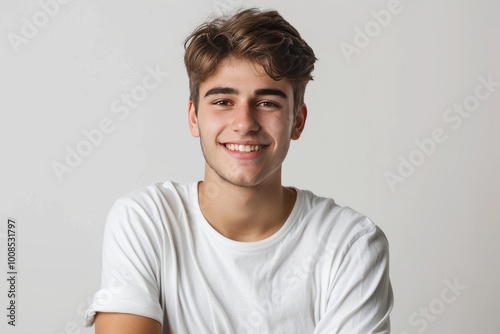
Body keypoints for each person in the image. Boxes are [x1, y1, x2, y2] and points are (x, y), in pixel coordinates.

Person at [84, 7, 393, 334]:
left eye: (267, 103)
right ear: (194, 117)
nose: (244, 123)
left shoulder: (350, 244)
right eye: (222, 102)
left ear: (297, 121)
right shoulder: (146, 220)